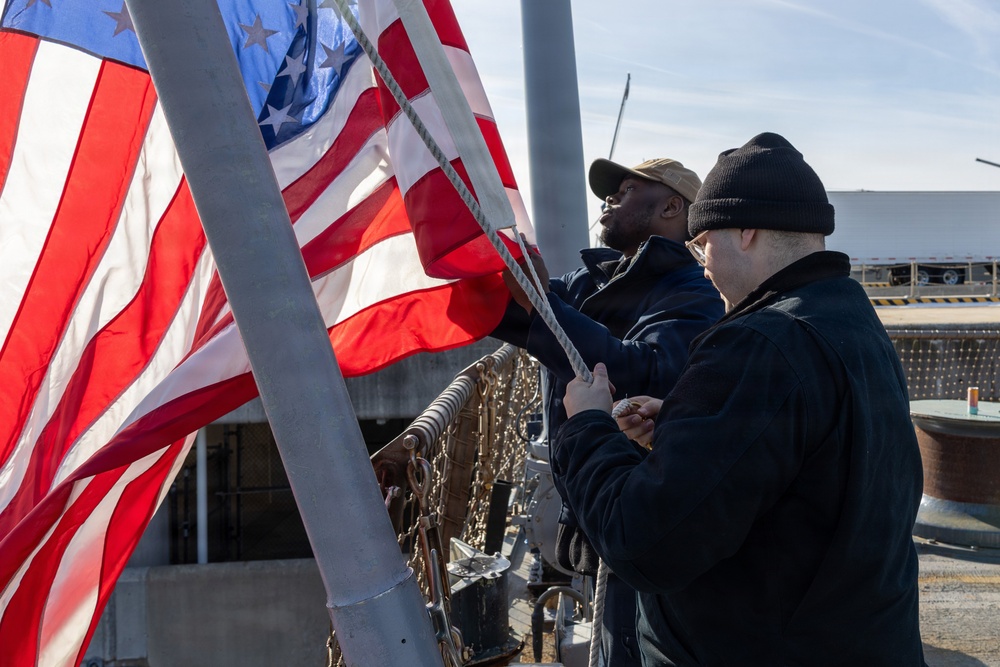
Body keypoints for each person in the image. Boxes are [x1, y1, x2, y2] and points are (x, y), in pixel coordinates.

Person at [553, 132, 926, 666]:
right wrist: (683, 425)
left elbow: (644, 544)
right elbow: (809, 462)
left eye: (702, 241)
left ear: (745, 231)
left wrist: (587, 426)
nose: (699, 259)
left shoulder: (757, 343)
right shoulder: (852, 321)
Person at [492, 157, 723, 665]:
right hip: (591, 504)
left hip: (636, 509)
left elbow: (646, 370)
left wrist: (542, 308)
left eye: (626, 189)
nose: (609, 199)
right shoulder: (589, 281)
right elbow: (511, 309)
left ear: (671, 206)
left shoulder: (694, 289)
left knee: (630, 646)